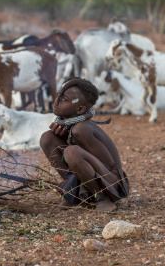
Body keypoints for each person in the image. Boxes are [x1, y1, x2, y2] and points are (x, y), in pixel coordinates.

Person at [40, 77, 129, 212]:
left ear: (80, 109)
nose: (56, 101)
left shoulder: (81, 128)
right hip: (90, 178)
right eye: (58, 95)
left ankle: (102, 198)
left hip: (111, 183)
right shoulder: (71, 126)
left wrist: (74, 144)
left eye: (64, 99)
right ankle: (76, 194)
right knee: (47, 138)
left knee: (72, 152)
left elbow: (109, 165)